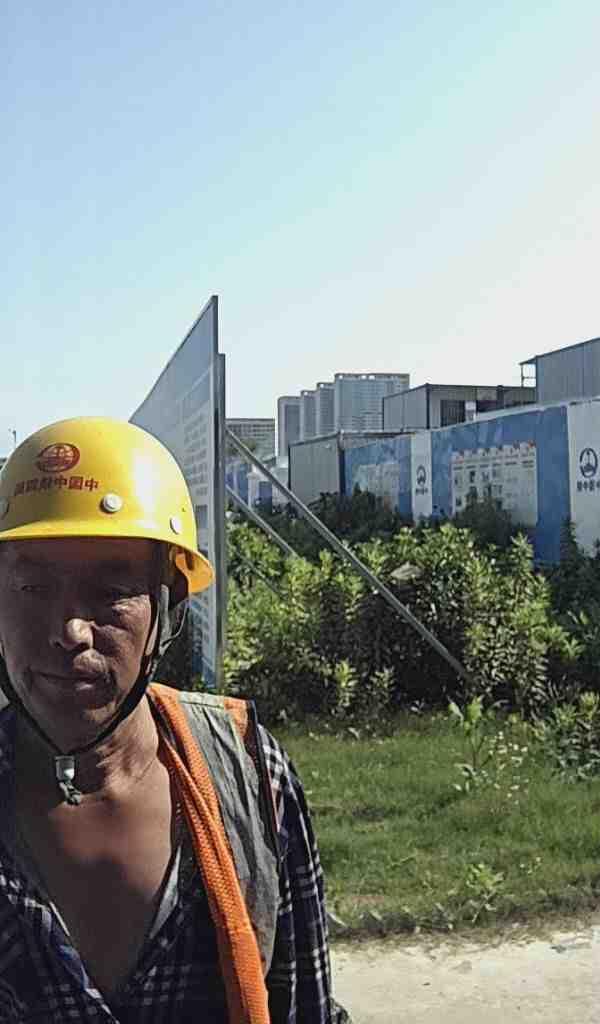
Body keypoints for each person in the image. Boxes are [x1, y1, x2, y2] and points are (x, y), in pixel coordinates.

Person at [0, 417, 350, 1023]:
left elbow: (304, 1006)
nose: (70, 631)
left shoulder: (247, 773)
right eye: (33, 587)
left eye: (111, 592)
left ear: (169, 608)